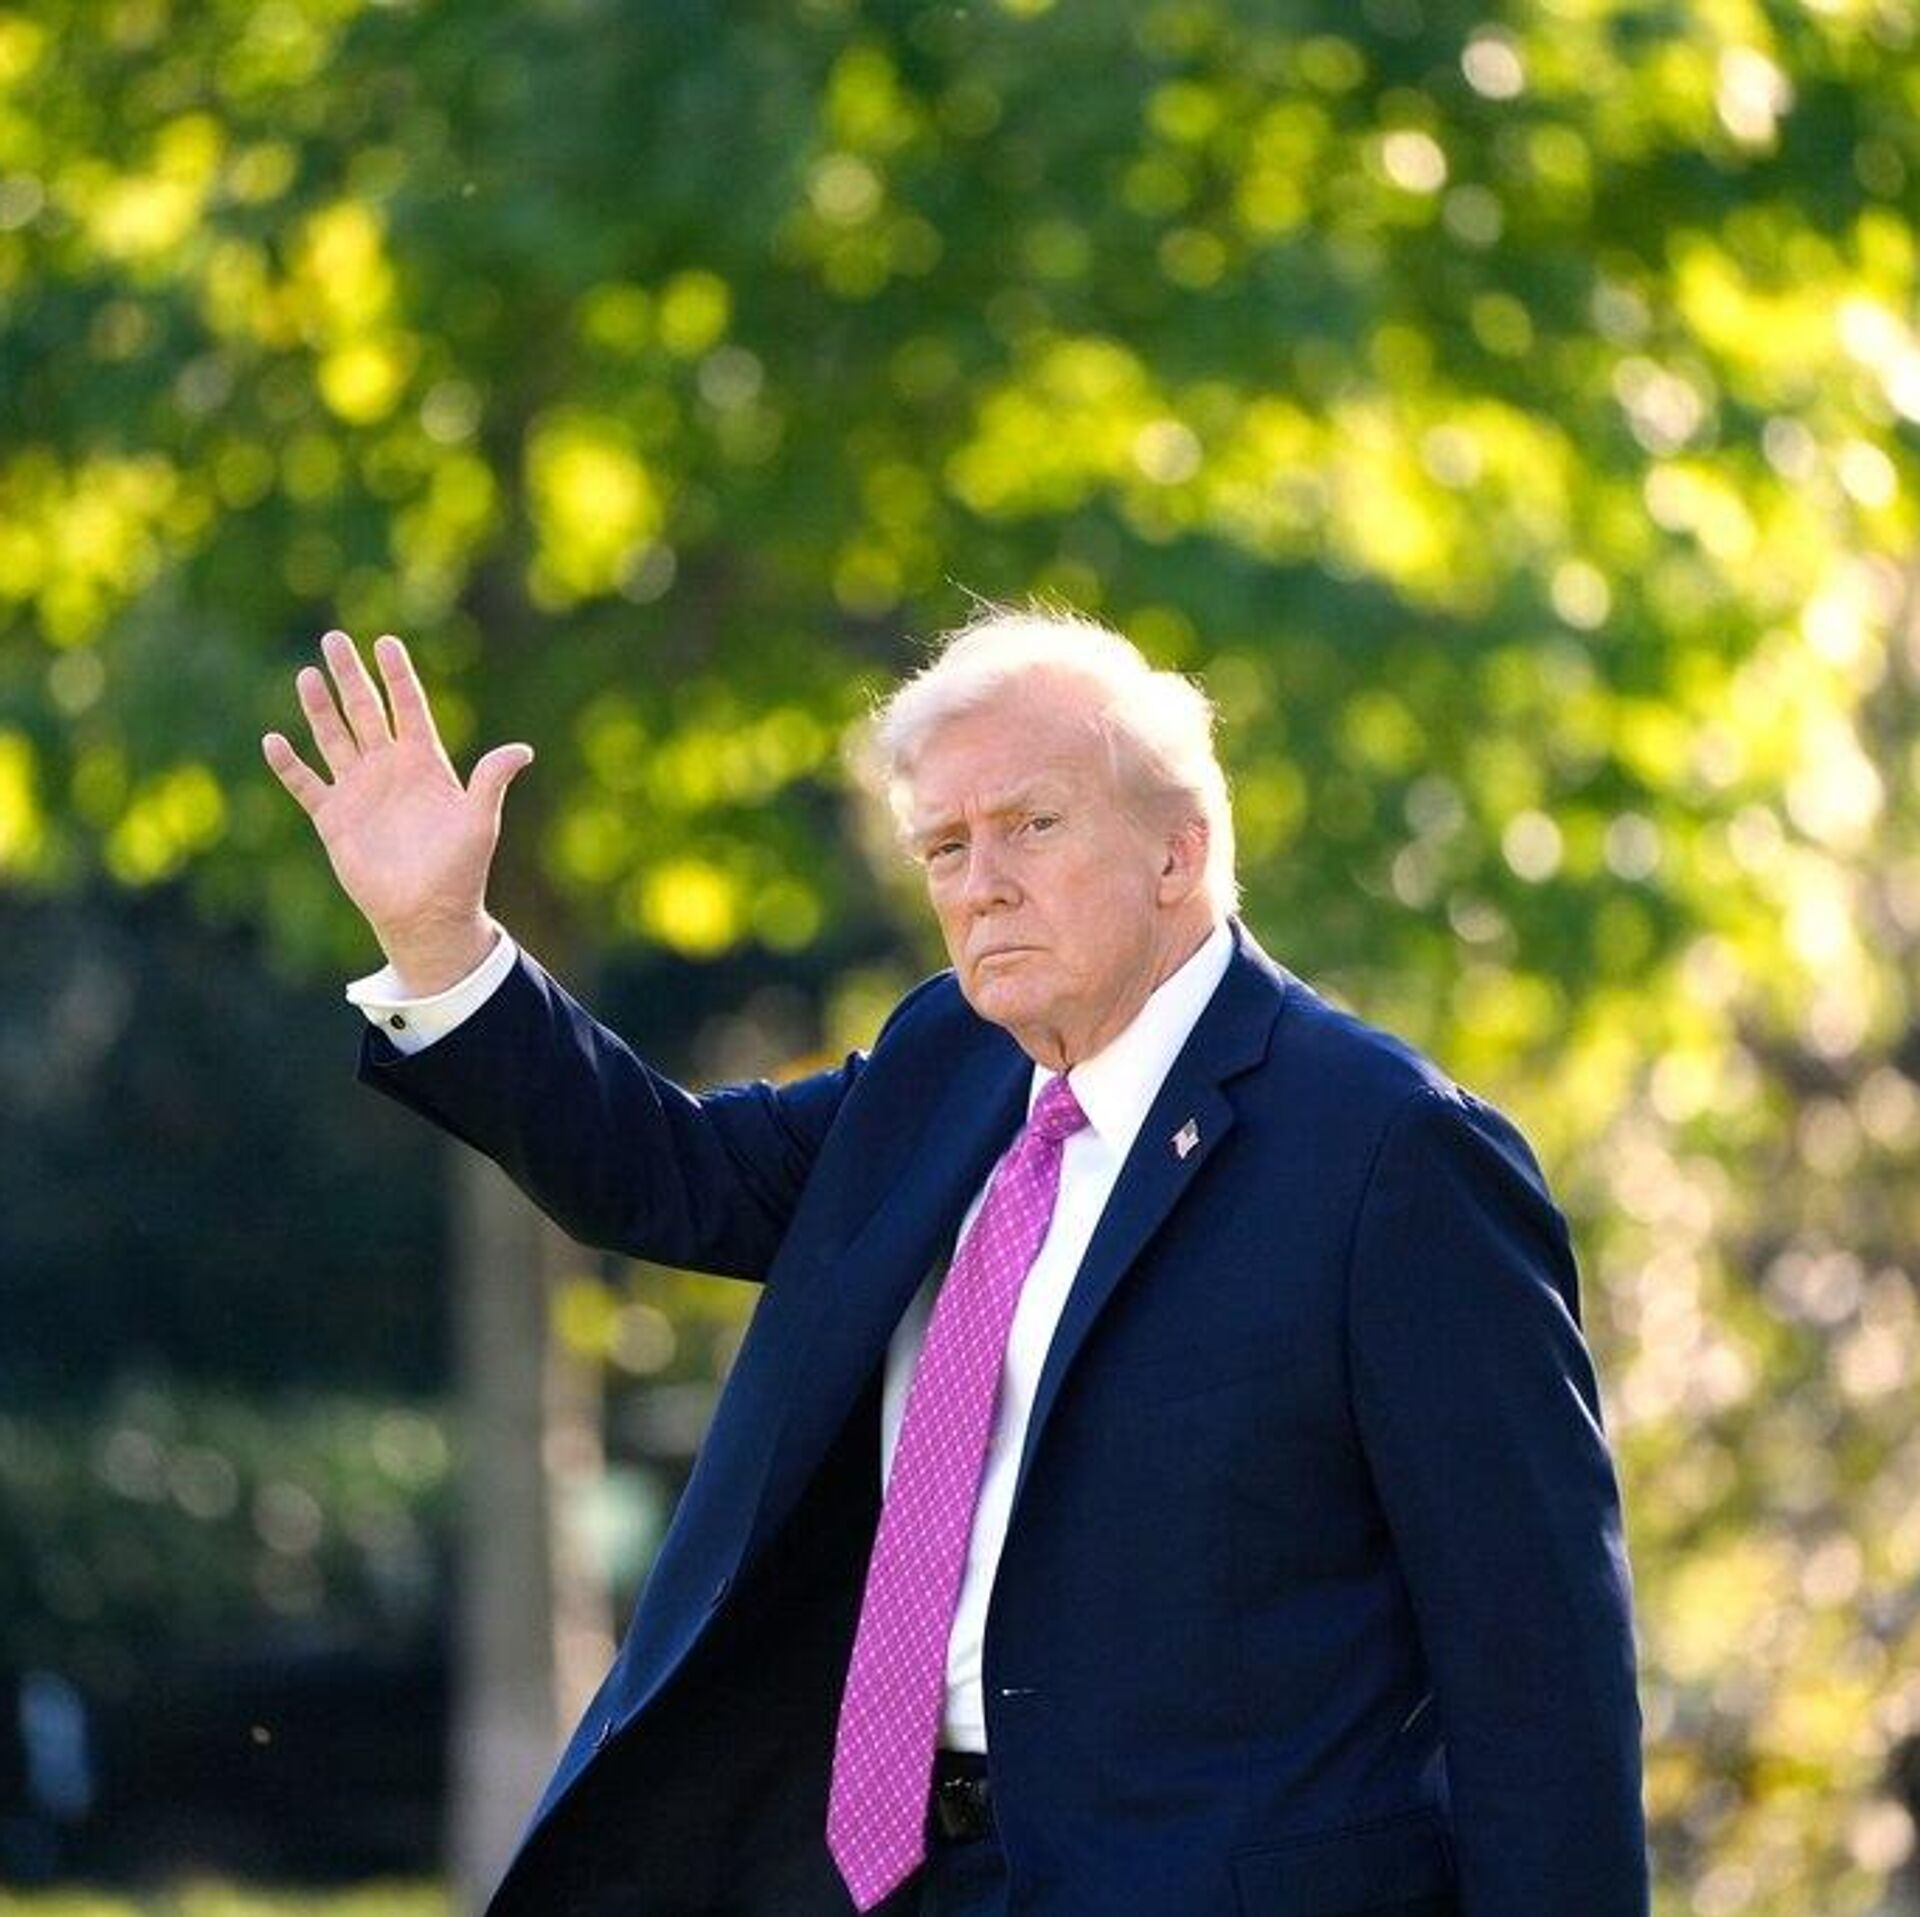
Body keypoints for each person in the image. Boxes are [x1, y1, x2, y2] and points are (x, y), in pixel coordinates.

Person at [263, 610, 1649, 1916]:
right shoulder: (947, 1063)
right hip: (889, 1875)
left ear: (1179, 853)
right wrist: (440, 939)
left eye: (1030, 826)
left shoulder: (1394, 1154)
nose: (982, 885)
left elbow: (1541, 1664)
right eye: (944, 847)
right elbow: (667, 1172)